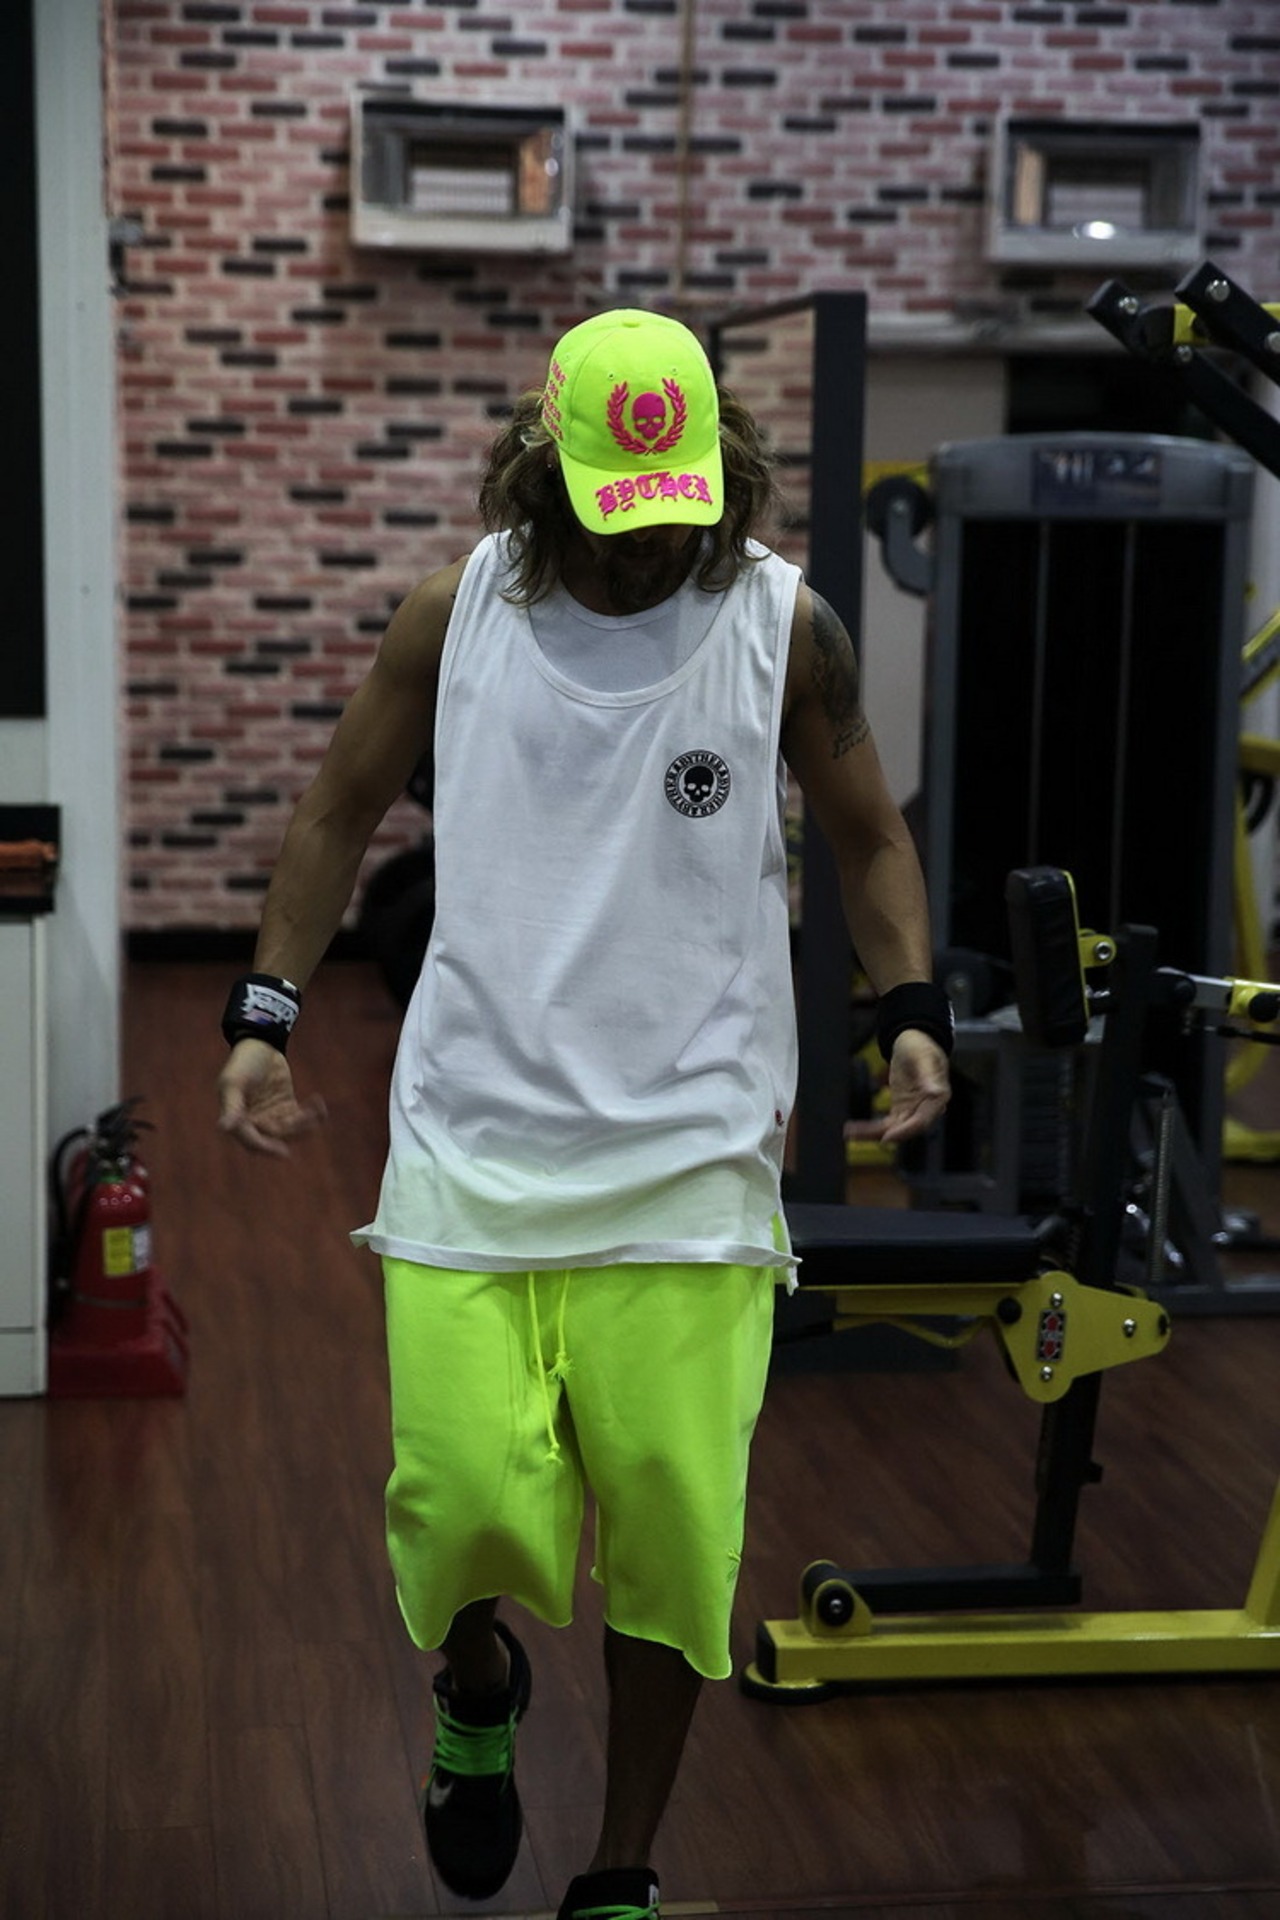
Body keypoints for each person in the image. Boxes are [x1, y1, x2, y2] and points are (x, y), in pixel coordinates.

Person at [217, 309, 952, 1920]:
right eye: (621, 511)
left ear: (720, 469)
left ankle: (621, 1871)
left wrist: (911, 1012)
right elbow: (338, 812)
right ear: (544, 465)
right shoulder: (455, 613)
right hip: (477, 1137)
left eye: (680, 508)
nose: (653, 543)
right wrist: (265, 1011)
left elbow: (870, 838)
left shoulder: (783, 627)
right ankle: (479, 1686)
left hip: (691, 1154)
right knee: (459, 1511)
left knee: (676, 1548)